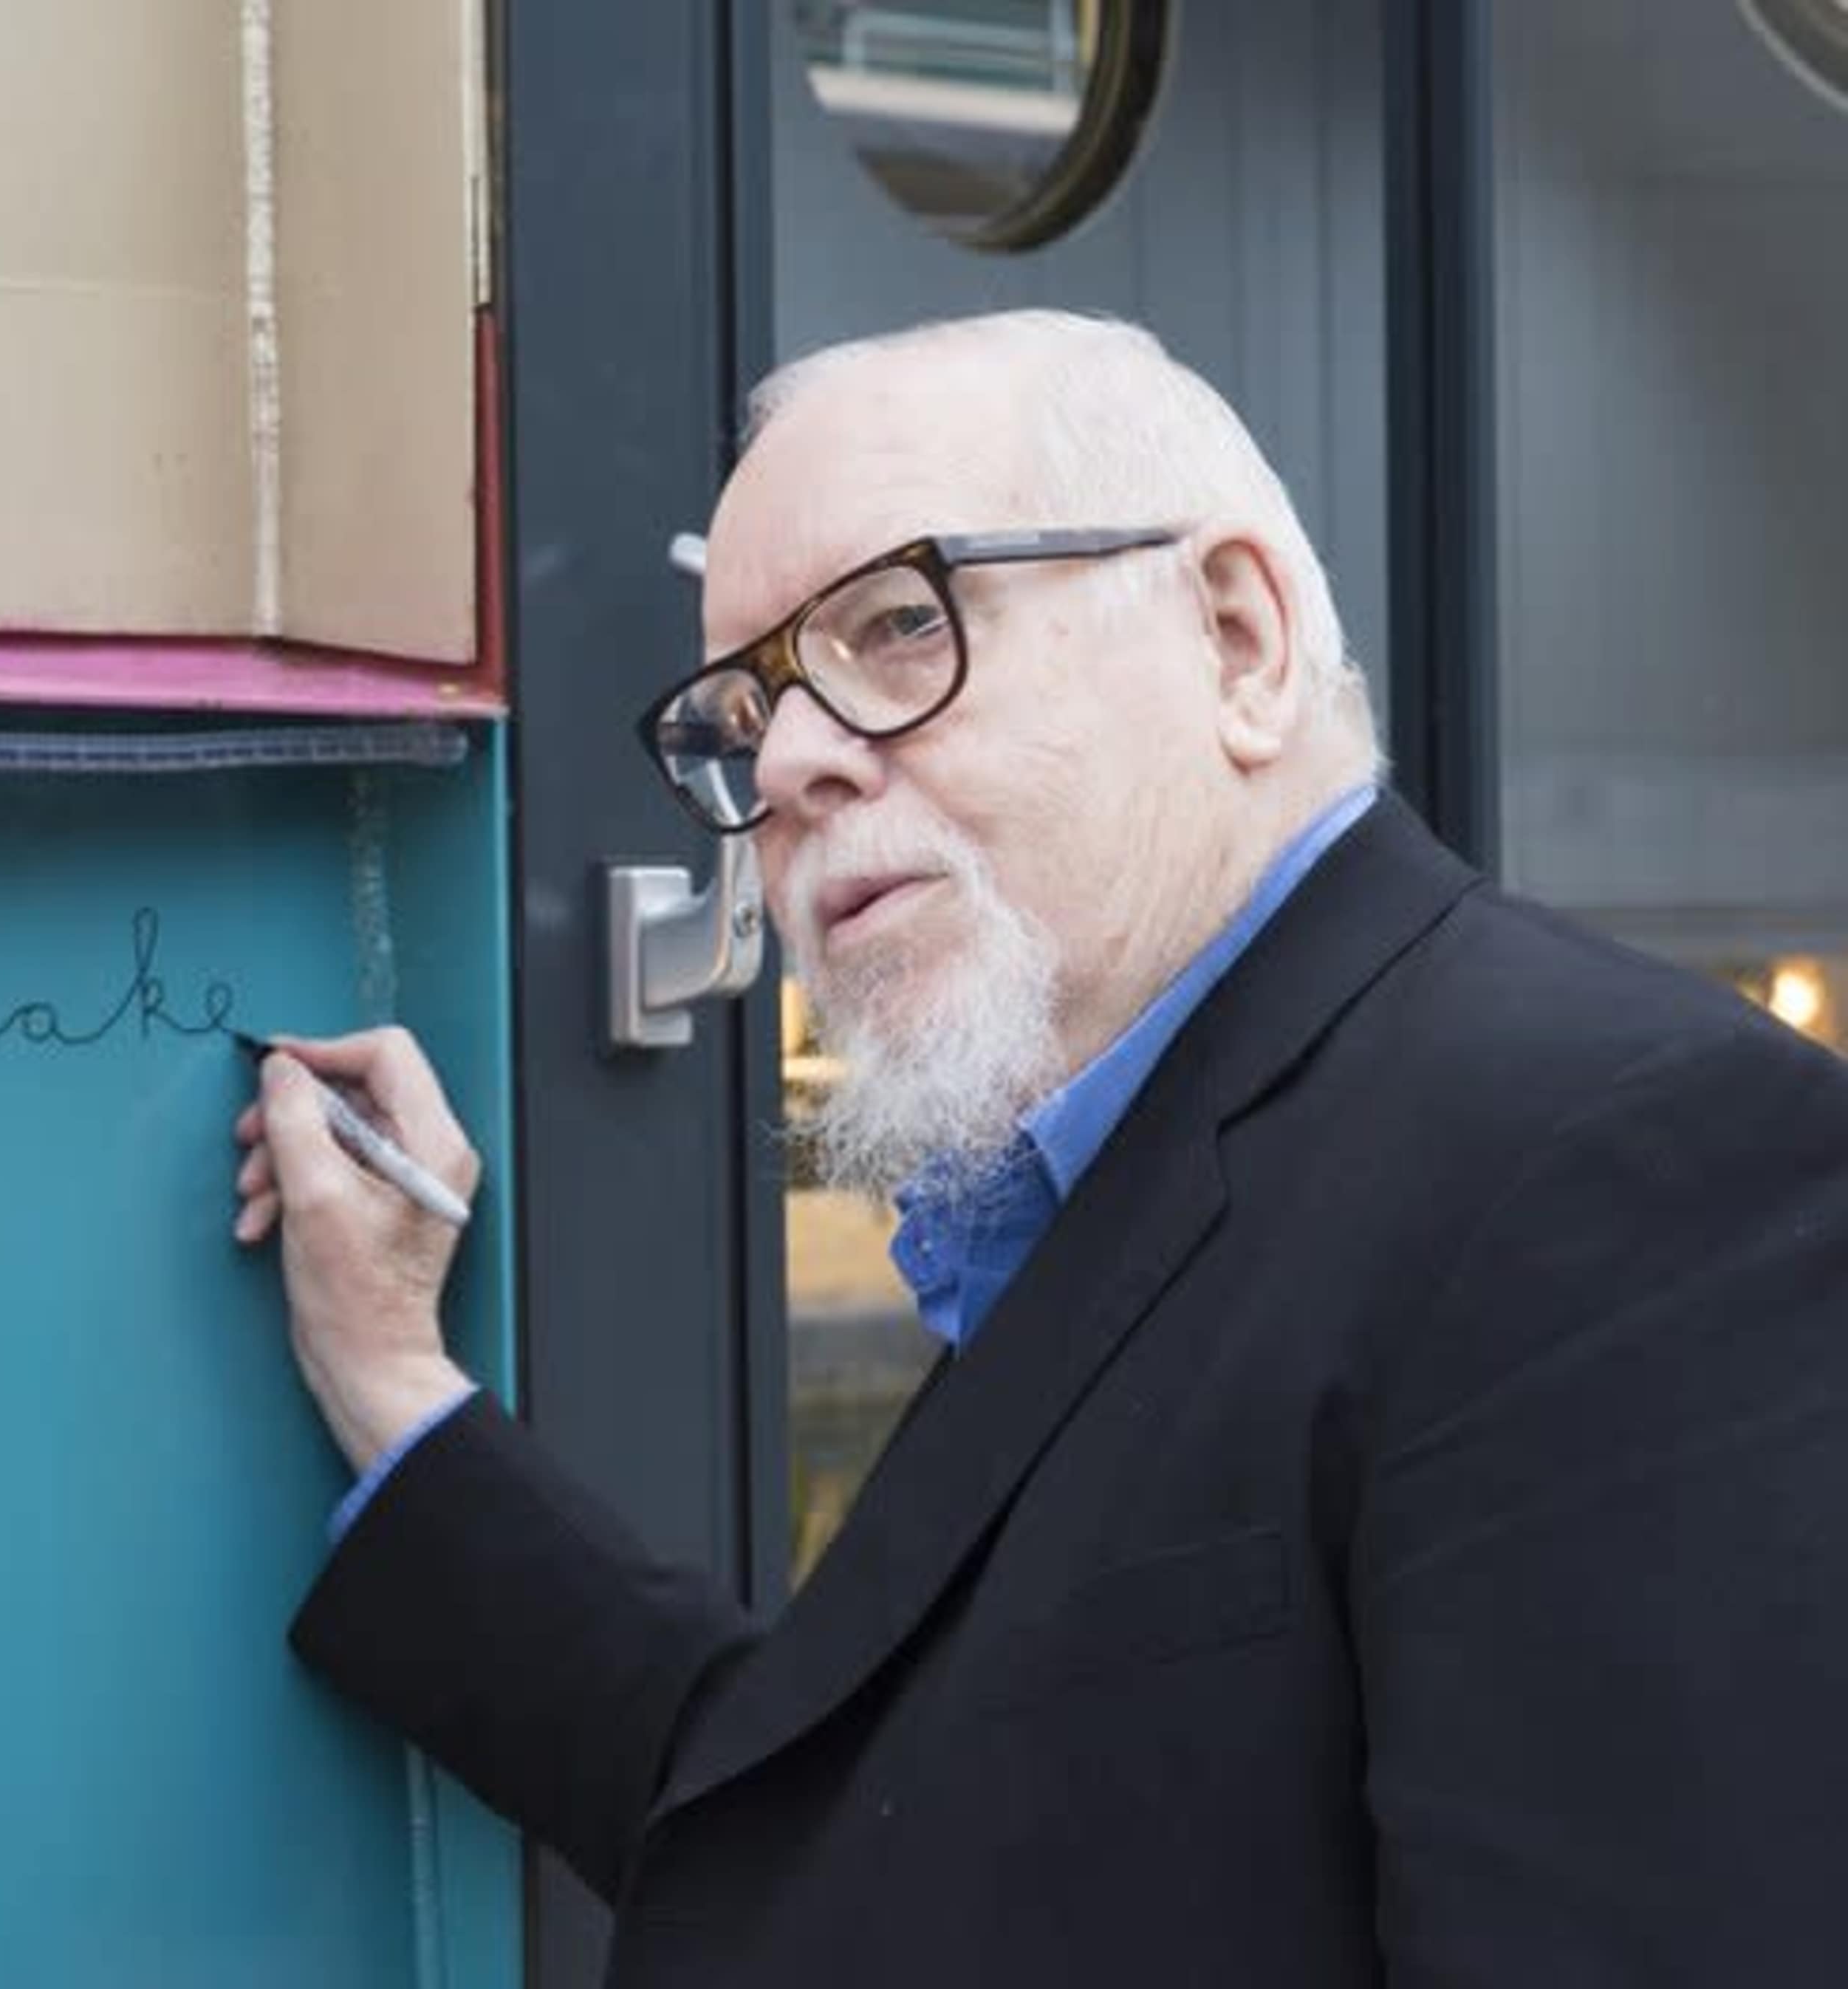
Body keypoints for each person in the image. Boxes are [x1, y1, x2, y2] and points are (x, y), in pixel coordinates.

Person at [230, 310, 1848, 1985]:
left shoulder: (1617, 1167)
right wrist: (392, 1381)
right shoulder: (1130, 1170)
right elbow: (864, 1829)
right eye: (747, 708)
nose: (787, 762)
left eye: (896, 625)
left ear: (1237, 639)